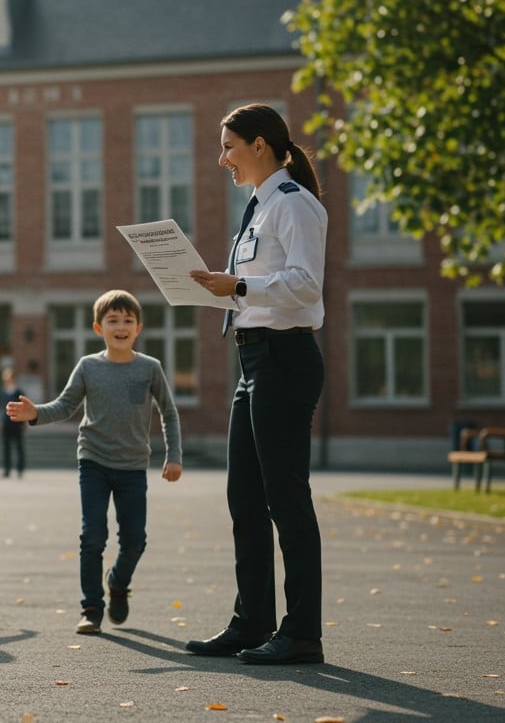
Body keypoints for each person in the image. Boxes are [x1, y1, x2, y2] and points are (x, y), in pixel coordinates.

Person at [188, 103, 328, 665]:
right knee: (243, 498)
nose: (222, 158)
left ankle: (302, 633)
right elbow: (251, 286)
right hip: (253, 364)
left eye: (229, 146)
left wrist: (238, 285)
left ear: (262, 145)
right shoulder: (259, 206)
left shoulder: (296, 205)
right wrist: (216, 285)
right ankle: (252, 623)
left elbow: (304, 285)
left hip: (285, 360)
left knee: (285, 499)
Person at [5, 289, 182, 635]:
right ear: (98, 328)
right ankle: (91, 608)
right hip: (94, 461)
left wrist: (173, 456)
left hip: (132, 465)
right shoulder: (88, 366)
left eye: (127, 321)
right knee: (93, 536)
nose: (120, 326)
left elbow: (170, 414)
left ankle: (117, 581)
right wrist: (34, 413)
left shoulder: (149, 368)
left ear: (138, 328)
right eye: (112, 320)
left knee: (134, 540)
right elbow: (65, 405)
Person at [0, 366, 27, 478]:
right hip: (6, 423)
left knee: (19, 446)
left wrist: (24, 423)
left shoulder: (19, 392)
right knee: (6, 447)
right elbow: (0, 408)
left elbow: (24, 408)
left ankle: (20, 469)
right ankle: (7, 469)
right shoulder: (2, 392)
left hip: (17, 423)